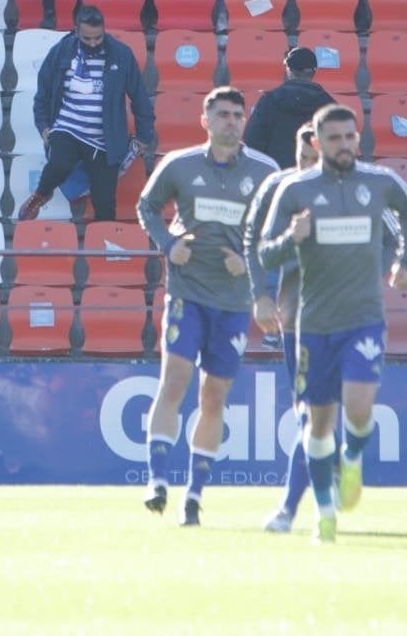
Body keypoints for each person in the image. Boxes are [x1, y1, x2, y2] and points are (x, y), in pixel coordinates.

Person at [256, 103, 407, 543]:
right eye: (334, 139)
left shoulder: (379, 182)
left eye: (350, 137)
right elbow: (264, 252)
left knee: (361, 411)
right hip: (312, 323)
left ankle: (353, 457)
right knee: (318, 422)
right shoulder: (294, 190)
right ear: (316, 143)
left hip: (364, 318)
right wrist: (293, 238)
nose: (345, 145)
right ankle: (324, 514)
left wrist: (405, 262)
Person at [136, 87, 280, 525]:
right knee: (175, 379)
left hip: (234, 301)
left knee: (214, 395)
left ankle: (194, 496)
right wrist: (168, 243)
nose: (231, 122)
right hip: (188, 291)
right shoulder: (180, 164)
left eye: (238, 114)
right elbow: (147, 205)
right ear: (206, 120)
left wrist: (253, 266)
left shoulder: (265, 172)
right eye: (222, 114)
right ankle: (157, 480)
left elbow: (283, 232)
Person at [245, 122, 320, 534]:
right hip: (298, 316)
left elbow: (394, 238)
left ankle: (347, 451)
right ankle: (290, 509)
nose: (307, 168)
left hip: (351, 318)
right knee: (311, 412)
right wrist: (261, 294)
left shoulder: (358, 190)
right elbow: (254, 244)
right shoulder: (278, 187)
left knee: (345, 415)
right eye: (303, 160)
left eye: (316, 161)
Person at [18, 5, 155, 223]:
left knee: (105, 205)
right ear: (75, 31)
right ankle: (40, 195)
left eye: (97, 38)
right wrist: (43, 125)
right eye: (87, 39)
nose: (92, 43)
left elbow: (139, 97)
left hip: (105, 139)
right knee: (59, 164)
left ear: (104, 30)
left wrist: (145, 134)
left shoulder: (121, 54)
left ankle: (102, 249)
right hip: (68, 127)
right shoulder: (61, 51)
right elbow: (42, 92)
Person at [244, 46, 336, 176]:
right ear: (314, 72)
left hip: (275, 177)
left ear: (289, 70)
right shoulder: (329, 105)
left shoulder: (269, 100)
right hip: (315, 180)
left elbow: (251, 142)